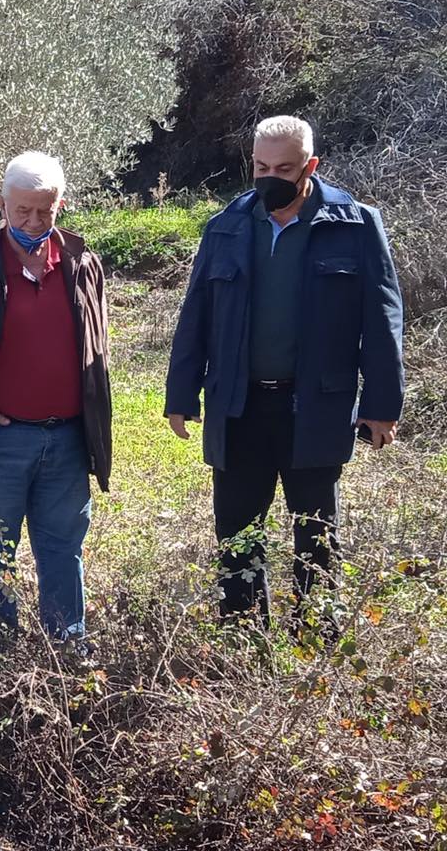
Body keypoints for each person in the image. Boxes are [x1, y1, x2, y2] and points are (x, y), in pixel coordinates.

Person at [163, 115, 405, 625]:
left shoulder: (356, 225)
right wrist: (180, 394)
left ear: (310, 166)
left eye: (284, 168)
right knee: (236, 534)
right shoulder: (226, 226)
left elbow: (383, 319)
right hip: (239, 405)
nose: (270, 177)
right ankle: (244, 637)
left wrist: (382, 406)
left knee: (316, 532)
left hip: (316, 407)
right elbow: (197, 315)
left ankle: (316, 637)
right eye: (260, 166)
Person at [0, 151, 112, 642]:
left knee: (63, 550)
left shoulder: (82, 264)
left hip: (66, 440)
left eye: (46, 210)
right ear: (1, 205)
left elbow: (95, 347)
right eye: (22, 211)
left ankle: (65, 653)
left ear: (60, 205)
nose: (34, 221)